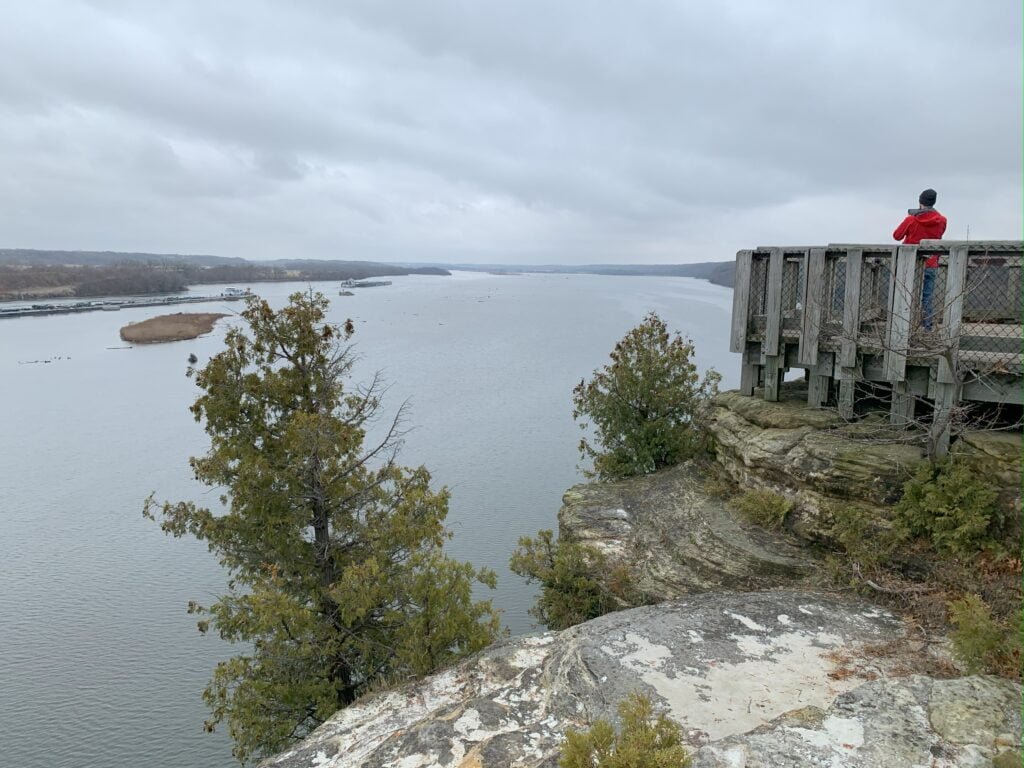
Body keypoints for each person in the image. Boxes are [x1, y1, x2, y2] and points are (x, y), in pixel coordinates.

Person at [893, 188, 947, 329]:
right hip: (930, 263)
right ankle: (926, 328)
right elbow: (938, 238)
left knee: (904, 295)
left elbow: (897, 236)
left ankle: (903, 326)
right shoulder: (941, 220)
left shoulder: (911, 219)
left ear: (920, 201)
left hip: (909, 264)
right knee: (927, 297)